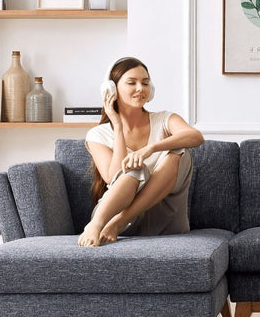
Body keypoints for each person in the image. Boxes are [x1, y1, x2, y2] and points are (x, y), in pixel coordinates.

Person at [77, 57, 204, 246]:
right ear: (111, 90)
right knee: (134, 169)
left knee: (179, 150)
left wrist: (150, 148)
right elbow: (112, 177)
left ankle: (117, 223)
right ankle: (96, 225)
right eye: (132, 82)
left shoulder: (164, 119)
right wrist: (118, 127)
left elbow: (195, 137)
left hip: (164, 222)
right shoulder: (98, 134)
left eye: (145, 83)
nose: (140, 88)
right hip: (115, 220)